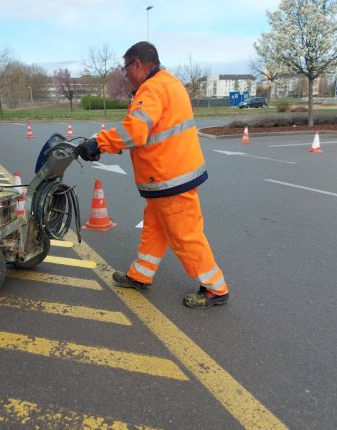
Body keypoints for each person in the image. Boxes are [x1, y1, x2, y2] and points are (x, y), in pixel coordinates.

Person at [77, 41, 228, 308]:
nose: (126, 76)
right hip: (168, 177)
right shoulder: (169, 83)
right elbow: (150, 133)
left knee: (185, 235)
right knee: (155, 229)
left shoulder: (152, 89)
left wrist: (99, 143)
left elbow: (135, 131)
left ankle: (215, 288)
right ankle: (140, 275)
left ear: (137, 64)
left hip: (170, 178)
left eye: (126, 70)